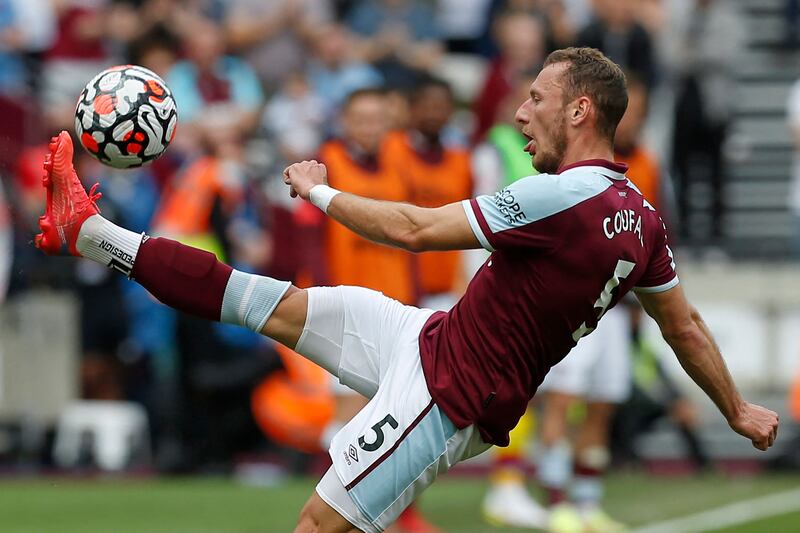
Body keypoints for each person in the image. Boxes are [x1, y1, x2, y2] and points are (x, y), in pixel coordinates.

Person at [35, 47, 779, 533]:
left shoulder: (563, 197)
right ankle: (89, 232)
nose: (520, 114)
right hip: (425, 338)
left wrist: (322, 195)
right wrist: (737, 407)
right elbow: (685, 328)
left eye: (537, 99)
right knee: (261, 298)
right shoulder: (640, 218)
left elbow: (418, 230)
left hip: (445, 393)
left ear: (580, 110)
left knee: (316, 527)